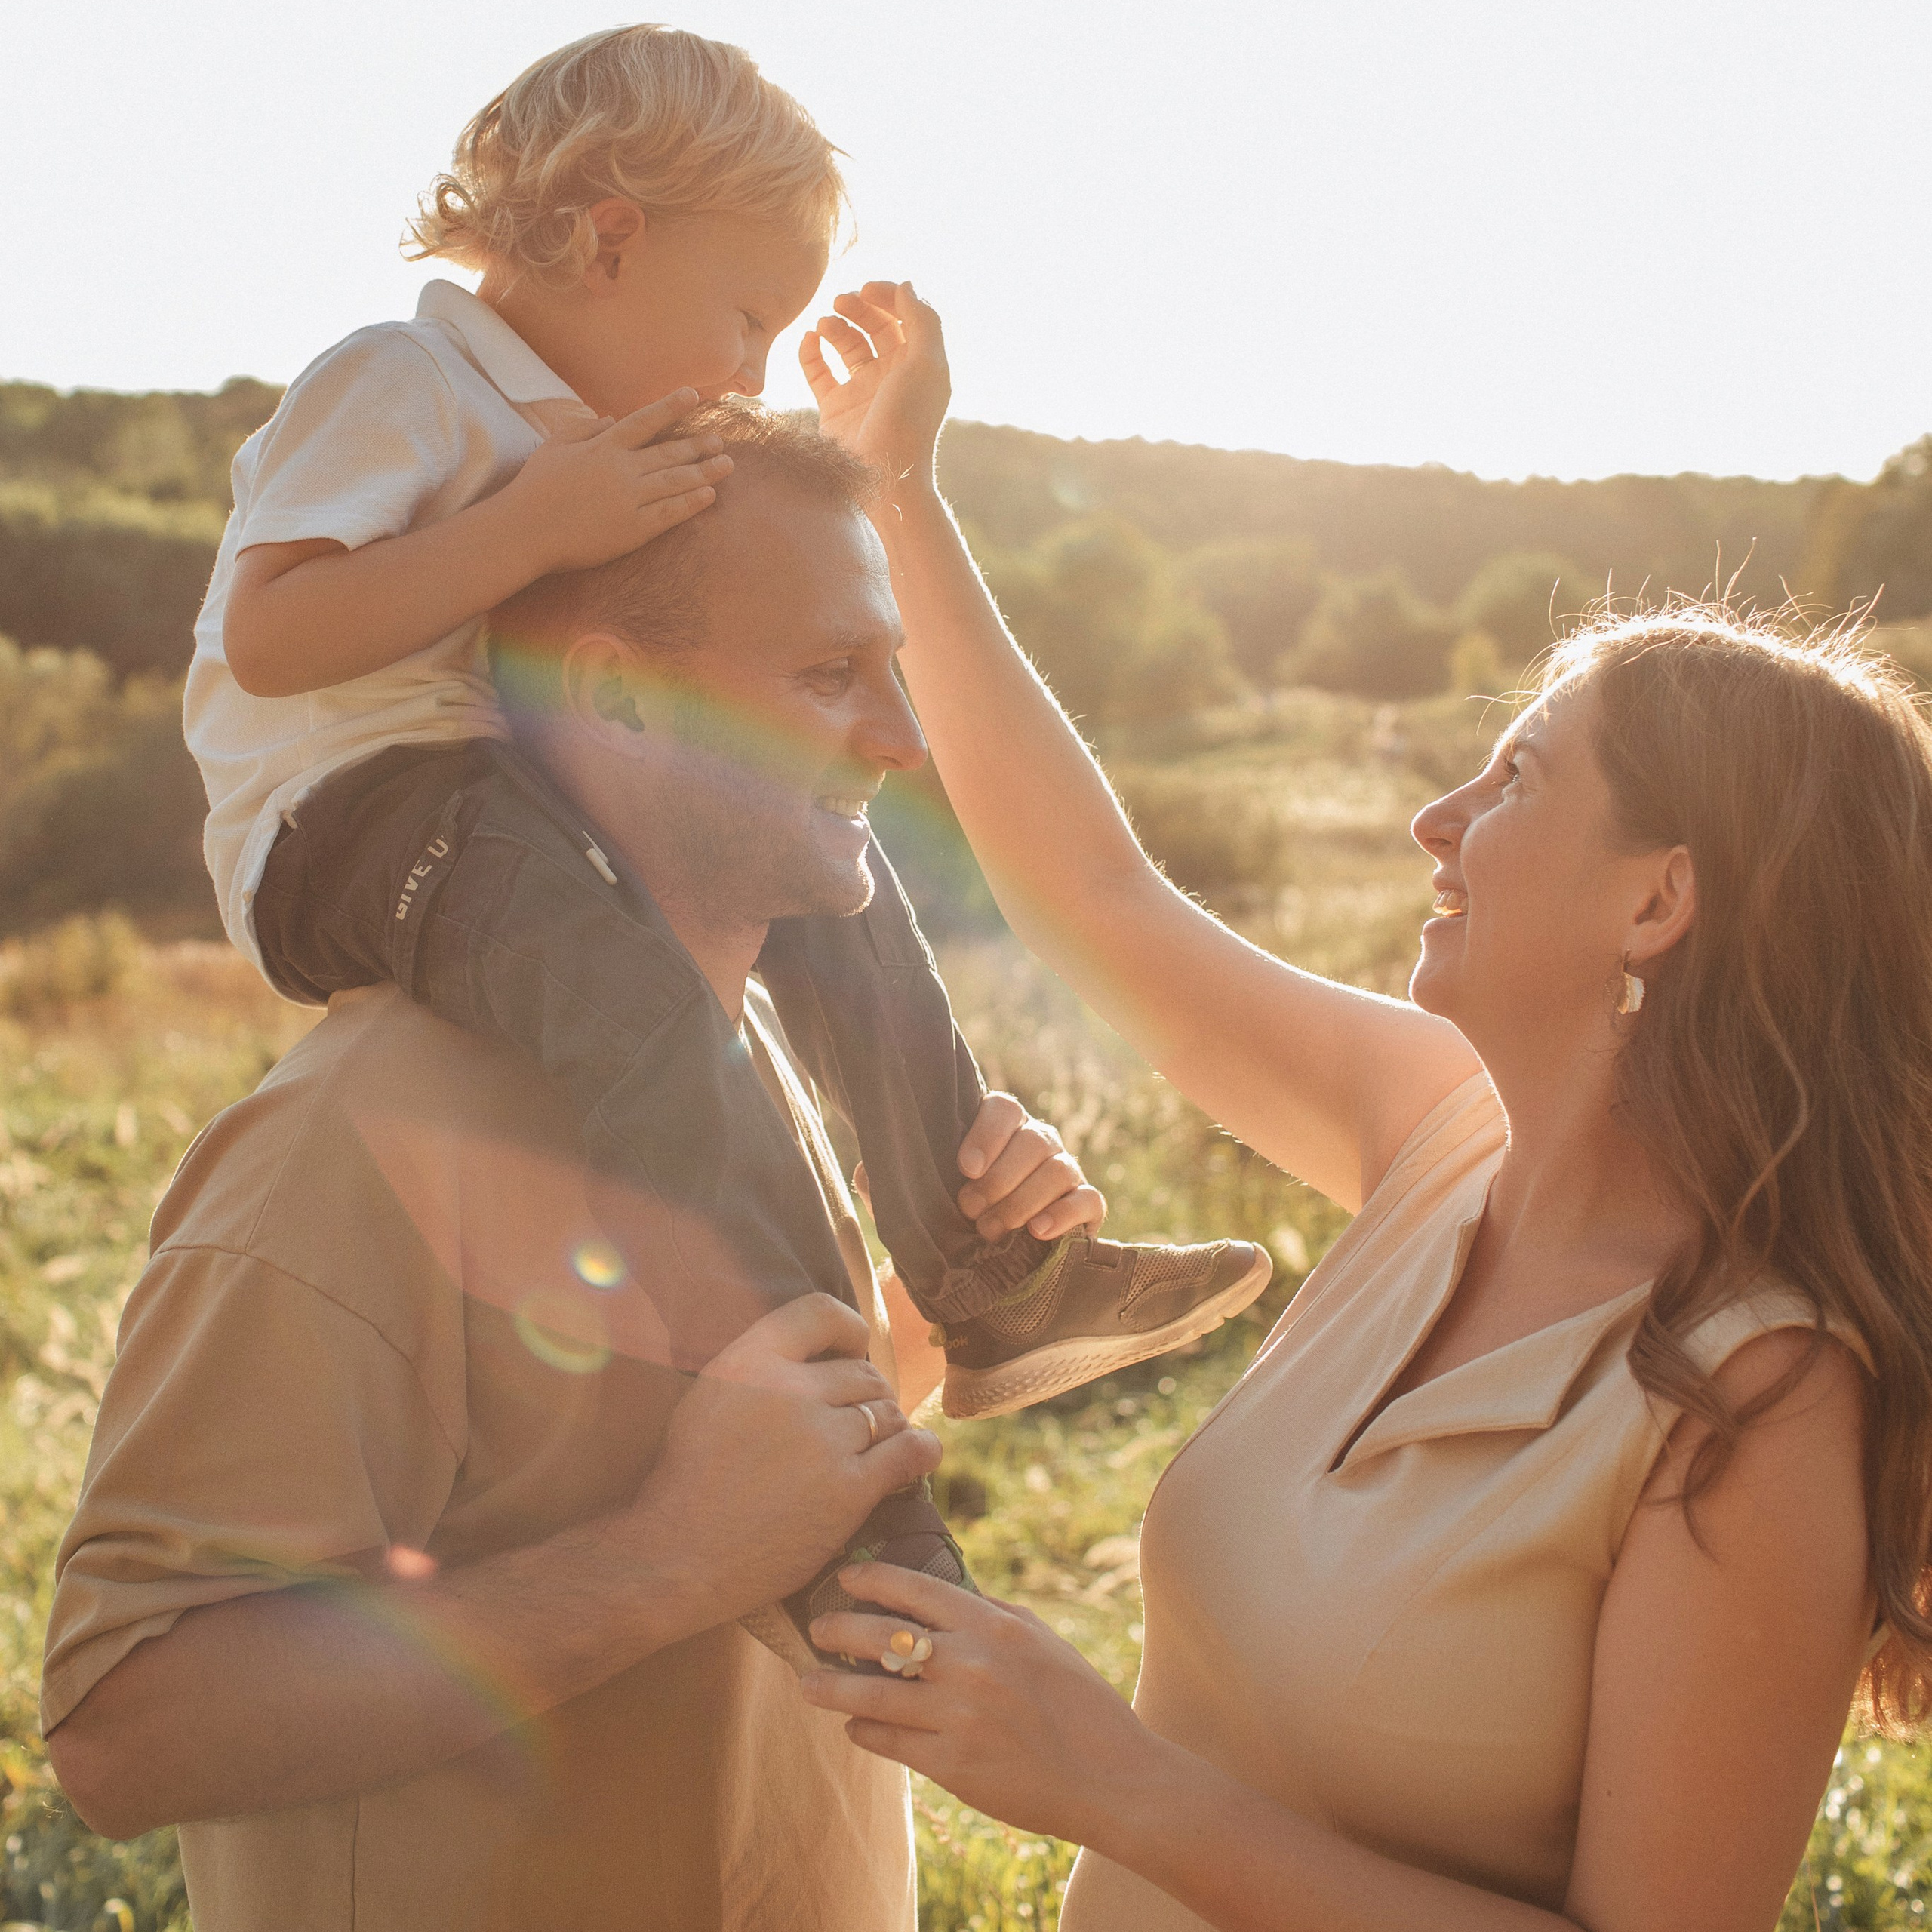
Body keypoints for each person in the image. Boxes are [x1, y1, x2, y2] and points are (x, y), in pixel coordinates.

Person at [789, 283, 1932, 1930]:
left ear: (1657, 901)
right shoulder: (1444, 1139)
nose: (1432, 819)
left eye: (1516, 777)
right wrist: (900, 491)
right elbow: (1100, 896)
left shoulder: (1757, 1398)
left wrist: (1112, 1783)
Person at [183, 21, 1271, 1573]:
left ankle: (988, 1277)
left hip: (509, 775)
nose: (753, 371)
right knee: (645, 1028)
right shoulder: (399, 377)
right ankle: (823, 1483)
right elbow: (272, 635)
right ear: (609, 240)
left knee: (816, 858)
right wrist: (534, 526)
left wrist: (871, 457)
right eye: (748, 318)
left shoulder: (584, 424)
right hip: (349, 813)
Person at [42, 414, 1100, 1930]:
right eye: (826, 676)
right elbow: (124, 1728)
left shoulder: (750, 1061)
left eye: (892, 671)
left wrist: (959, 1277)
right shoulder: (350, 1137)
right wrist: (664, 1562)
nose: (900, 740)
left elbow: (771, 1432)